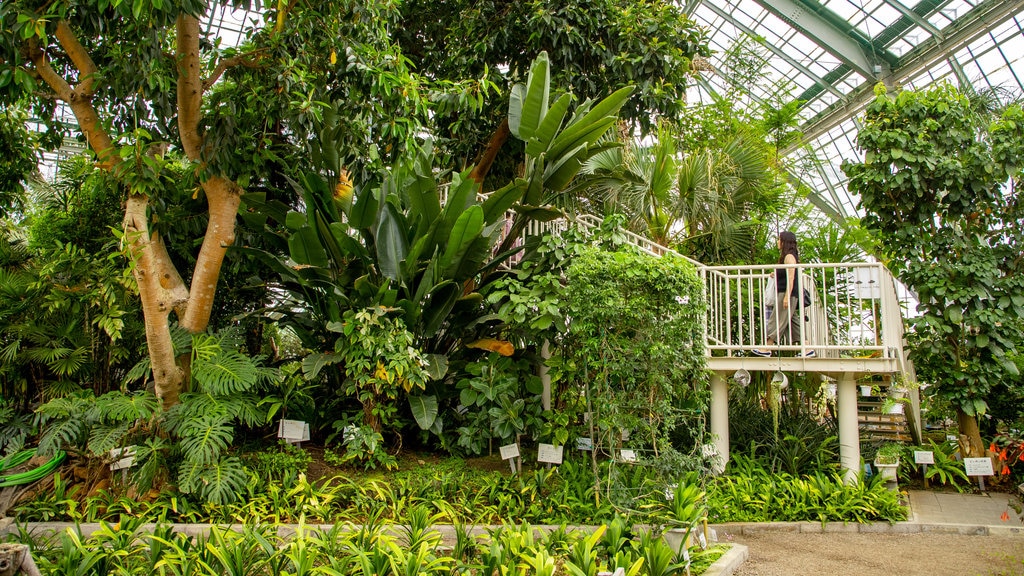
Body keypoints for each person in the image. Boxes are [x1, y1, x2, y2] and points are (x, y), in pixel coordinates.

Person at [752, 230, 814, 357]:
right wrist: (776, 275)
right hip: (789, 293)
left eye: (779, 239)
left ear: (784, 241)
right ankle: (807, 348)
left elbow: (791, 277)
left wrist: (786, 296)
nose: (777, 242)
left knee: (777, 319)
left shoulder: (789, 257)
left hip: (787, 293)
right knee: (792, 321)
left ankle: (767, 347)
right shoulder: (789, 256)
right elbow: (787, 275)